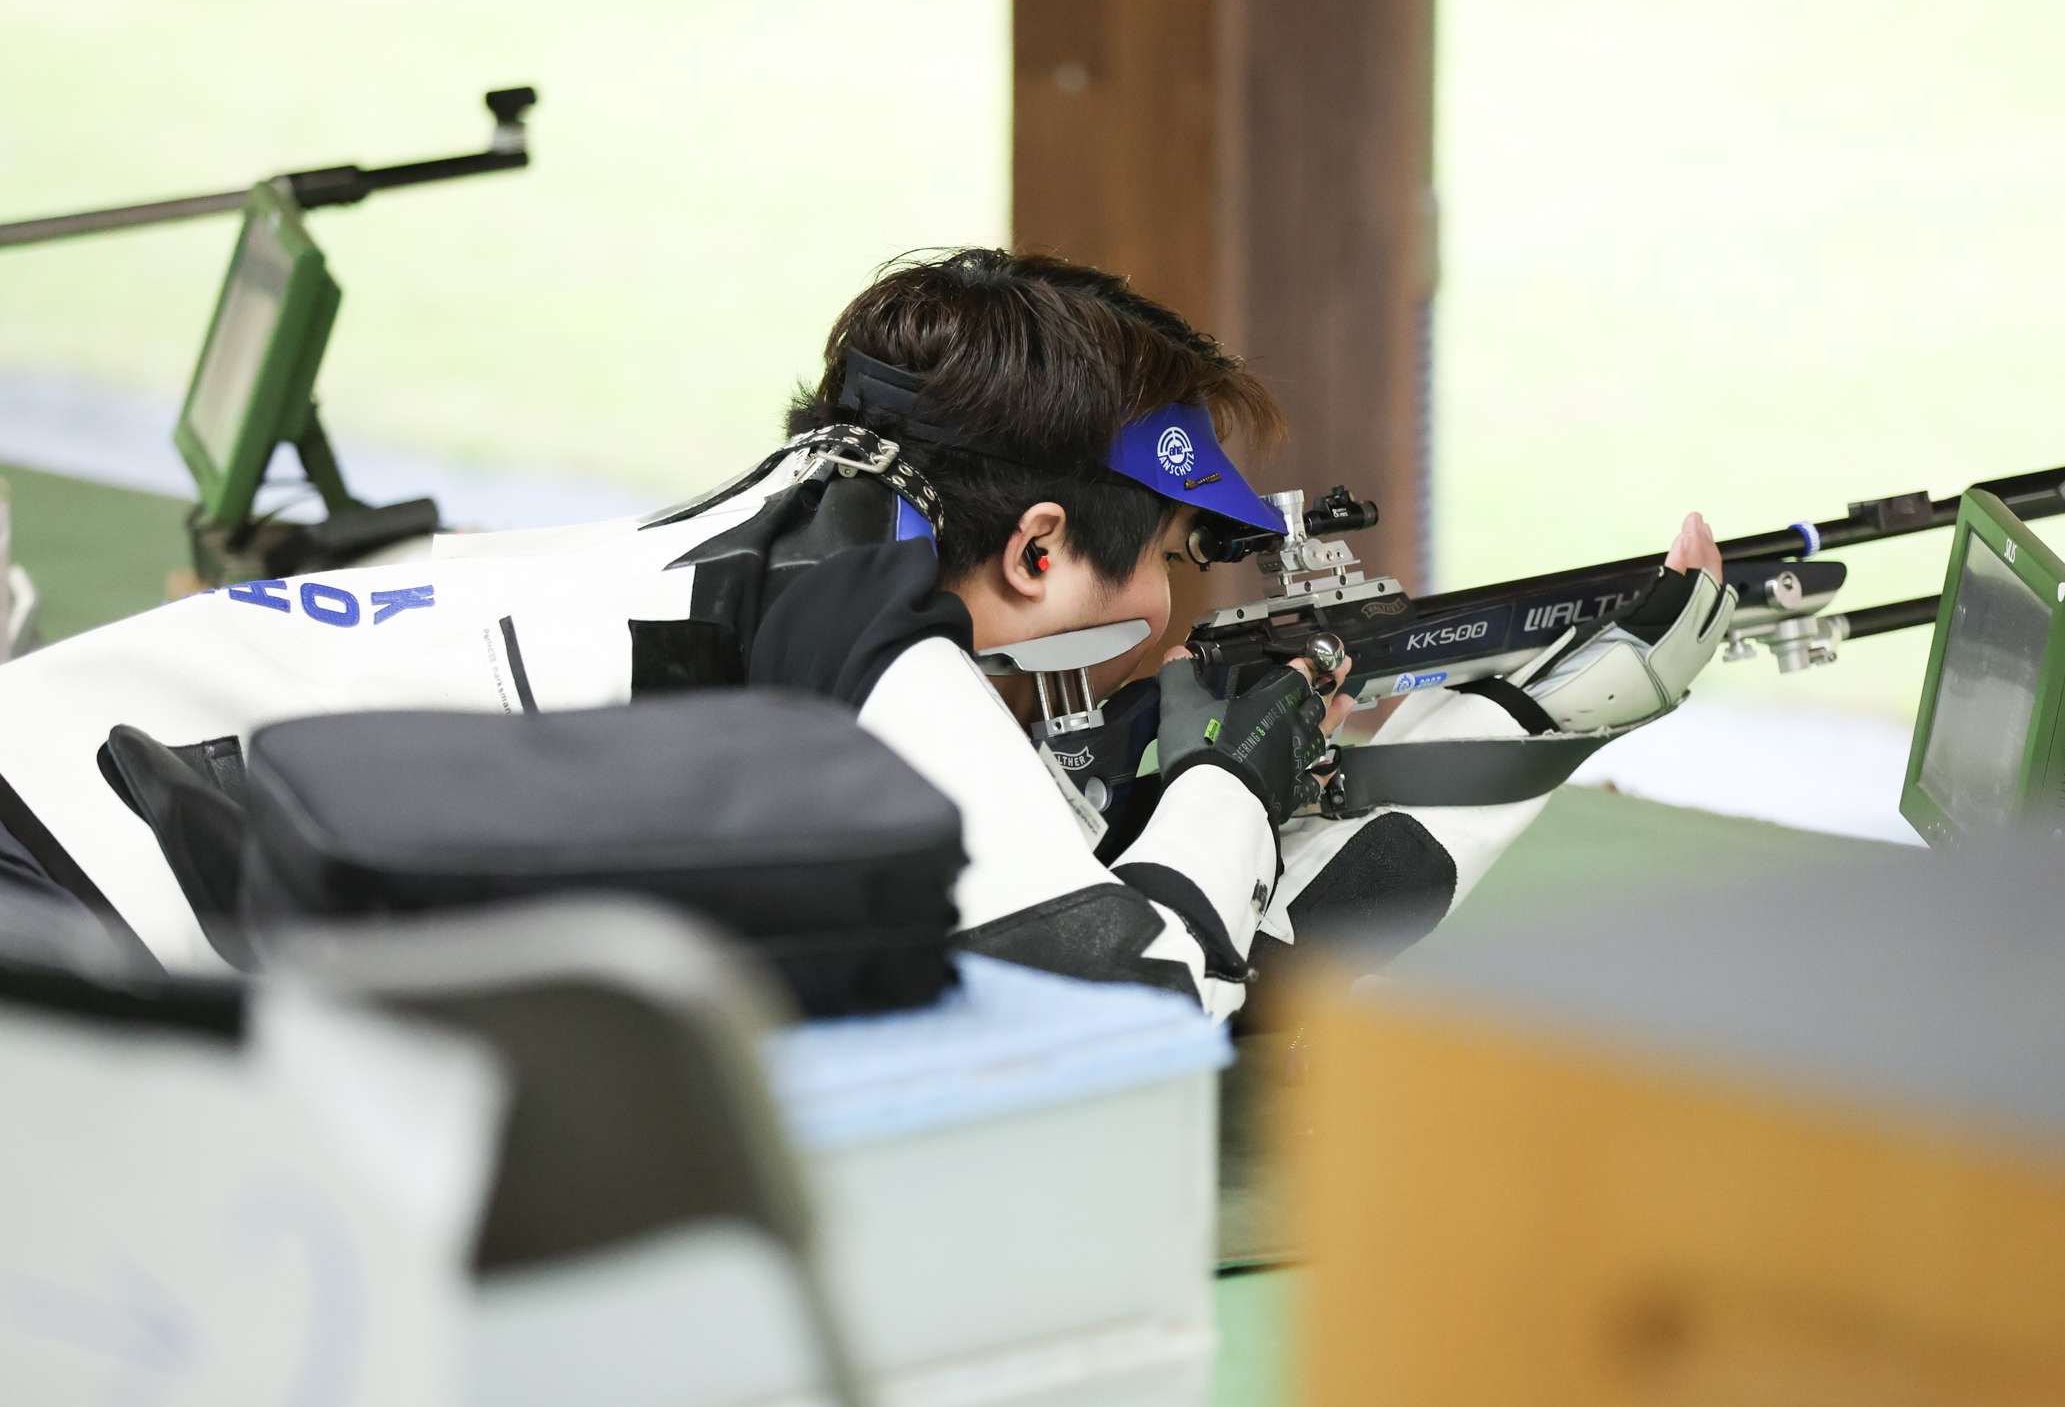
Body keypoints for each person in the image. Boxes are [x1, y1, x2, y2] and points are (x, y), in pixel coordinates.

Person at [0, 249, 1731, 1015]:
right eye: (1175, 561)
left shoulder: (773, 523)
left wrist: (1526, 721)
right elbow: (1134, 993)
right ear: (1038, 546)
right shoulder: (863, 627)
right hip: (57, 924)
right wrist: (1236, 772)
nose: (1183, 608)